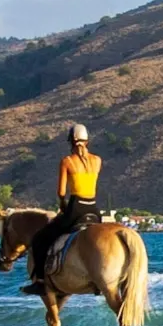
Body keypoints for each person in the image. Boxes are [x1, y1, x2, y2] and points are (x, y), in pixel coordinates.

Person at [30, 123, 103, 295]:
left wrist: (62, 205)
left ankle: (40, 280)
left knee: (40, 239)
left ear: (71, 141)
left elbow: (61, 192)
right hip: (93, 209)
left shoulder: (67, 161)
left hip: (76, 208)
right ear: (87, 141)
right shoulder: (98, 160)